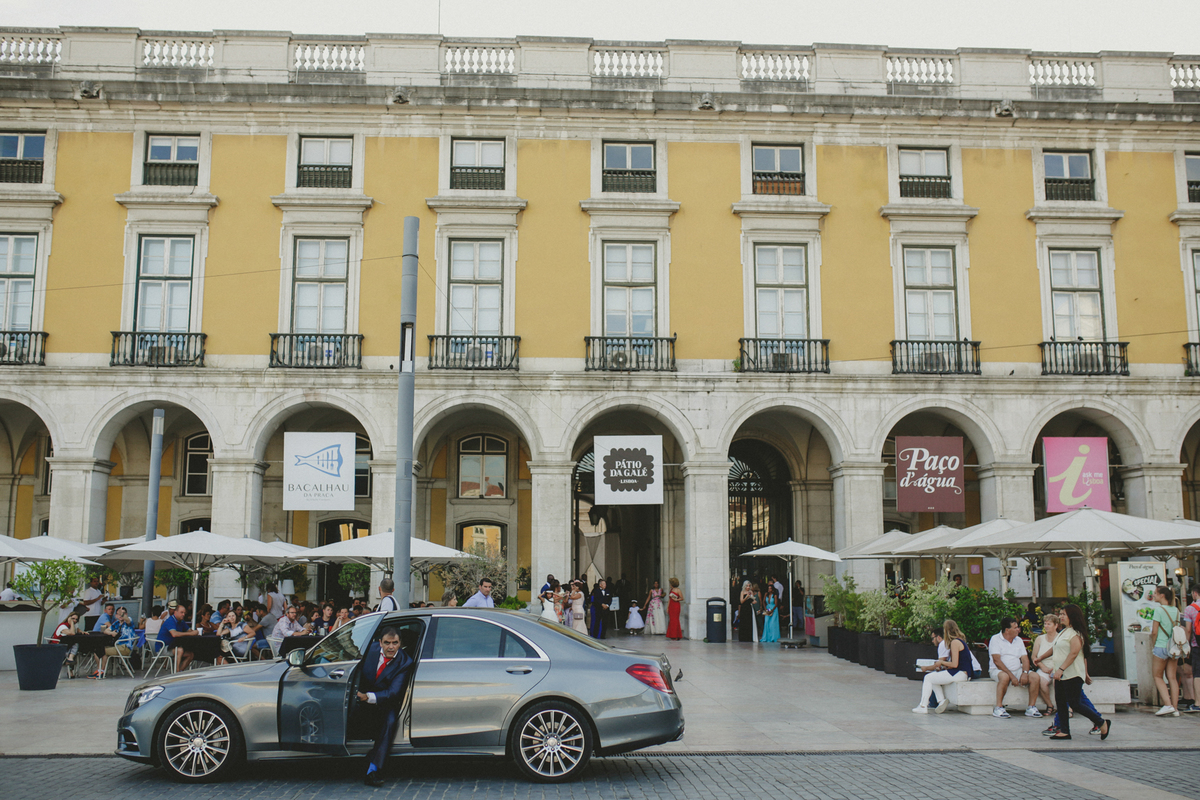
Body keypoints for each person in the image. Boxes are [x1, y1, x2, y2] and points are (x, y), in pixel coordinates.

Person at [355, 626, 416, 787]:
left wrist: (368, 697)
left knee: (390, 722)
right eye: (387, 643)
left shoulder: (405, 662)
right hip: (359, 696)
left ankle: (373, 769)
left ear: (400, 643)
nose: (391, 647)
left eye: (395, 643)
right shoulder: (369, 649)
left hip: (385, 702)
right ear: (380, 642)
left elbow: (393, 692)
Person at [1047, 603, 1110, 740]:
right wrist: (1041, 657)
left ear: (1072, 616)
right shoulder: (1063, 632)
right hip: (1061, 675)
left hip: (1072, 674)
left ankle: (1101, 722)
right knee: (1061, 703)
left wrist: (1062, 669)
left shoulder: (1075, 634)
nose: (1061, 616)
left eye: (1064, 614)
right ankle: (1064, 730)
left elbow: (1074, 653)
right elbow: (1055, 648)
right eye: (1060, 614)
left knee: (1075, 703)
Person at [913, 620, 980, 713]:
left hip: (960, 673)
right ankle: (941, 700)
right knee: (933, 678)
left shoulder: (955, 643)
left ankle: (923, 706)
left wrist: (941, 663)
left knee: (928, 678)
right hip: (963, 673)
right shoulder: (959, 641)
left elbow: (954, 664)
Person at [987, 617, 1041, 718]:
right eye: (1015, 628)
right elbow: (997, 661)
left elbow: (1025, 659)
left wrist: (1025, 673)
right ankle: (998, 707)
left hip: (1017, 670)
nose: (1018, 630)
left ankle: (1031, 707)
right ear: (1007, 630)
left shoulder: (1019, 640)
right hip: (998, 670)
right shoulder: (995, 639)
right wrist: (1011, 676)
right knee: (1004, 677)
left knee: (1035, 677)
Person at [1148, 584, 1181, 716]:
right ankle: (1175, 708)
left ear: (1162, 596)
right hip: (1174, 647)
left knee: (1157, 676)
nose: (1153, 595)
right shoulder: (1176, 610)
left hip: (1161, 646)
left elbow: (1154, 631)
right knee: (1172, 677)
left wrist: (1154, 644)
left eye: (1155, 593)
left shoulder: (1159, 610)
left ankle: (1167, 705)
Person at [91, 605, 136, 678]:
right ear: (116, 615)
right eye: (119, 614)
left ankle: (101, 671)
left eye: (123, 613)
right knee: (97, 650)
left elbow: (127, 620)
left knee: (102, 651)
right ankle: (100, 670)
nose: (121, 615)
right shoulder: (117, 623)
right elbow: (106, 630)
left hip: (125, 647)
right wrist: (111, 633)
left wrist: (122, 615)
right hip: (117, 646)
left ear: (126, 614)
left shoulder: (129, 621)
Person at [1030, 613, 1061, 716]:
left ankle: (1064, 708)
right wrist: (1043, 667)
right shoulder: (1040, 639)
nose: (1046, 626)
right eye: (1045, 624)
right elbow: (1034, 656)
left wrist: (1054, 668)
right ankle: (1050, 705)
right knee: (1041, 681)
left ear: (1056, 625)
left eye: (1049, 624)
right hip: (1043, 667)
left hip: (1058, 667)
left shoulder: (1061, 638)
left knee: (1059, 682)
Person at [158, 602, 200, 671]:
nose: (183, 614)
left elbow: (189, 630)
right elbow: (174, 634)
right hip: (163, 647)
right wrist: (190, 633)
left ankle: (180, 671)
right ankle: (176, 672)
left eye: (184, 613)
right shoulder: (170, 621)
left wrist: (196, 632)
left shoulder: (181, 621)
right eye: (181, 612)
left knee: (191, 654)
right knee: (180, 650)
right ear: (176, 612)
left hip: (173, 646)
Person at [51, 610, 83, 676]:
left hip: (67, 646)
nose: (74, 620)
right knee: (74, 644)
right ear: (69, 618)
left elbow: (78, 630)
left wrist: (81, 631)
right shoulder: (63, 626)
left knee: (75, 645)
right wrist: (71, 623)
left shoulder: (73, 625)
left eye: (76, 619)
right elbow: (72, 633)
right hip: (57, 646)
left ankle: (70, 661)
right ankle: (70, 662)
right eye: (73, 618)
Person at [1185, 584, 1200, 713]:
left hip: (1197, 645)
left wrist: (1187, 646)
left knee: (1198, 674)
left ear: (1195, 594)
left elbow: (1188, 630)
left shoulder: (1190, 609)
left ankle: (1198, 703)